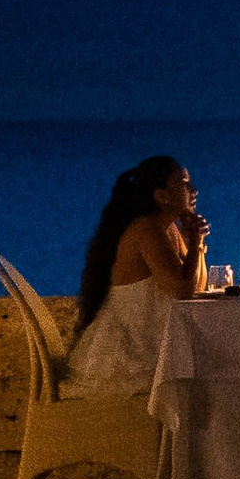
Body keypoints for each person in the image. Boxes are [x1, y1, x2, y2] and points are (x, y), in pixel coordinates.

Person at [65, 155, 207, 396]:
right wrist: (194, 245)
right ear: (162, 196)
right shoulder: (146, 228)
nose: (194, 190)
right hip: (131, 354)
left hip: (150, 341)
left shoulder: (168, 228)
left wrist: (197, 243)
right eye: (184, 184)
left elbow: (196, 286)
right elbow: (182, 290)